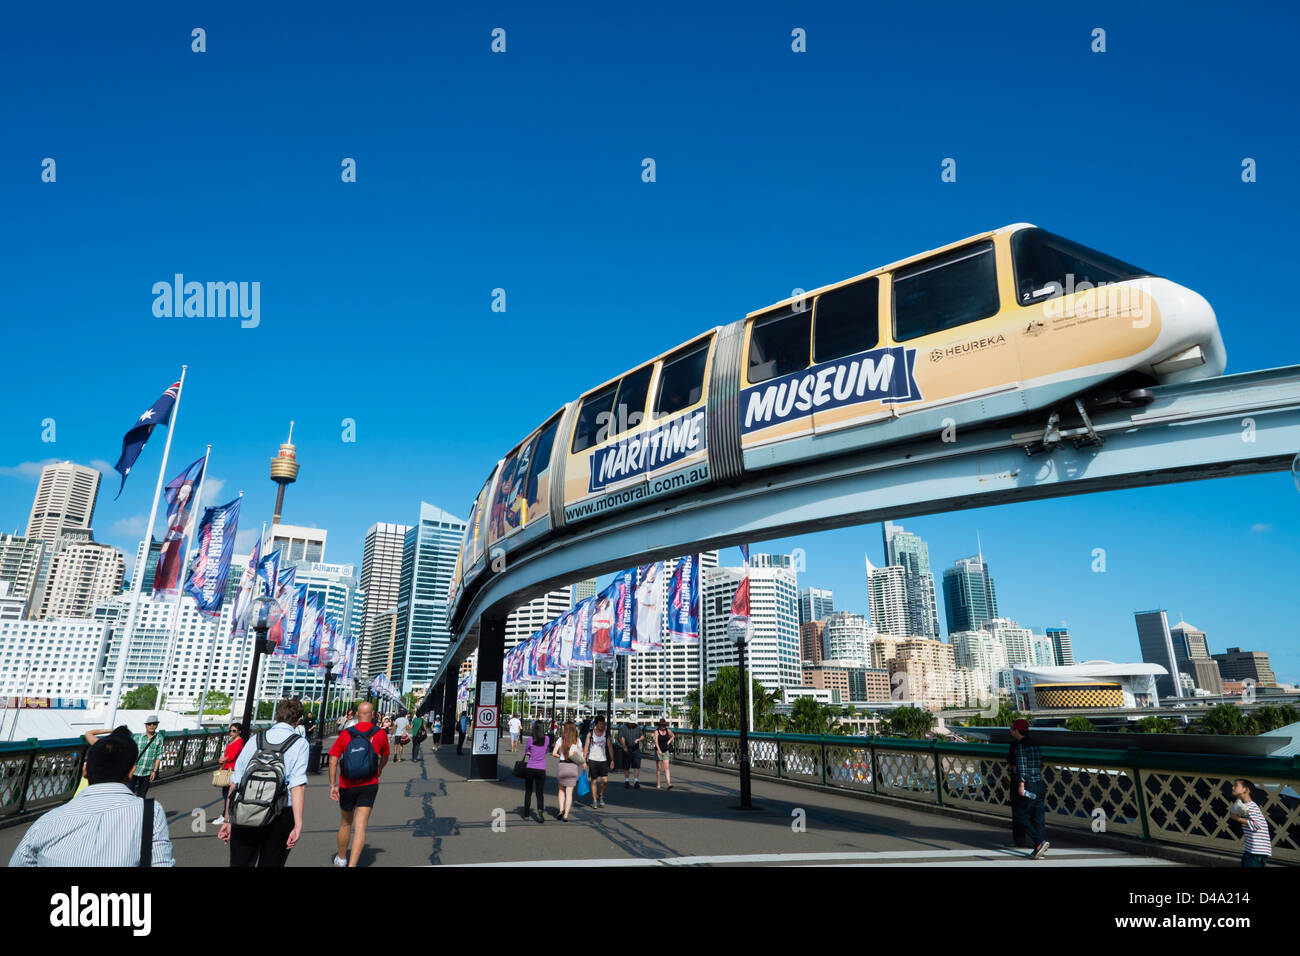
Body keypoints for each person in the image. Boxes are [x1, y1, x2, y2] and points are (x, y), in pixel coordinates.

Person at [10, 732, 174, 866]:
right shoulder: (150, 811)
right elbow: (161, 863)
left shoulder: (46, 821)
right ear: (132, 771)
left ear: (85, 770)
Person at [219, 699, 309, 867]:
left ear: (276, 716)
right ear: (298, 721)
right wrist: (298, 824)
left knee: (241, 862)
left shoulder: (255, 739)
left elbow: (235, 782)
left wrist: (227, 819)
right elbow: (297, 786)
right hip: (280, 812)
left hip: (245, 809)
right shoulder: (300, 743)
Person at [328, 701, 390, 867]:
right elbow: (385, 756)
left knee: (345, 823)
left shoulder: (346, 734)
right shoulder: (380, 733)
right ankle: (352, 865)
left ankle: (341, 858)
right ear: (373, 714)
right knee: (361, 826)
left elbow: (333, 759)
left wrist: (332, 784)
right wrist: (379, 769)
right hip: (369, 783)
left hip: (347, 784)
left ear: (357, 714)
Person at [1008, 718, 1049, 859]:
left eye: (1012, 728)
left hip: (1028, 785)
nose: (1011, 730)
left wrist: (1021, 785)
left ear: (1017, 731)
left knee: (1020, 815)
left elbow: (1022, 768)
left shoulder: (1020, 747)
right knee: (1038, 817)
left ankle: (1039, 842)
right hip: (1039, 784)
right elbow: (1040, 764)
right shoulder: (1035, 745)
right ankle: (1040, 849)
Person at [1228, 779, 1272, 866]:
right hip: (1253, 850)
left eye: (1236, 785)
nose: (1232, 787)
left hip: (1255, 852)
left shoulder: (1251, 807)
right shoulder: (1246, 806)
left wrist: (1237, 818)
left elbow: (1257, 825)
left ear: (1246, 790)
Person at [212, 722, 244, 825]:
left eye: (234, 731)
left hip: (231, 769)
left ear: (239, 732)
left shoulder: (239, 742)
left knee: (228, 794)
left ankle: (225, 815)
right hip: (227, 767)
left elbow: (233, 755)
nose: (231, 732)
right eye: (230, 730)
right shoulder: (232, 740)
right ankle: (227, 814)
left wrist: (224, 759)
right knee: (226, 793)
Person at [551, 720, 583, 822]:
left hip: (562, 766)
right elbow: (581, 754)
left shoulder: (561, 740)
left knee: (561, 791)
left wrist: (560, 756)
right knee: (569, 793)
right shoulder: (577, 741)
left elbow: (553, 753)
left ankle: (561, 810)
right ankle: (566, 815)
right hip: (573, 767)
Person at [520, 720, 550, 823]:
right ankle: (540, 813)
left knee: (528, 791)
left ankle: (526, 814)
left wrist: (530, 752)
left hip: (530, 767)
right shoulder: (547, 739)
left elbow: (526, 751)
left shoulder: (530, 739)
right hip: (541, 768)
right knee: (540, 793)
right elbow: (546, 750)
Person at [129, 715, 166, 798]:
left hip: (148, 771)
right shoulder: (137, 737)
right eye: (149, 724)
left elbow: (159, 755)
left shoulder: (159, 738)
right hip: (134, 770)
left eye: (154, 724)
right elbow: (131, 752)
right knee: (128, 793)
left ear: (157, 725)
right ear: (146, 725)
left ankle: (138, 810)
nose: (152, 726)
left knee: (142, 796)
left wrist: (154, 771)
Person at [583, 716, 612, 808]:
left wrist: (612, 760)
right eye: (600, 724)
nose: (602, 726)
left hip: (603, 759)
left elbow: (610, 747)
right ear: (596, 724)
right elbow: (586, 747)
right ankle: (594, 800)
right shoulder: (590, 734)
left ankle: (600, 795)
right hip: (592, 759)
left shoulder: (606, 734)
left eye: (603, 724)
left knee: (605, 780)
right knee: (594, 780)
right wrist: (584, 761)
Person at [621, 721, 644, 789]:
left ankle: (636, 781)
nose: (632, 724)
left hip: (636, 749)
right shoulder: (624, 727)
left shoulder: (638, 727)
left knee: (636, 765)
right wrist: (624, 746)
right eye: (631, 722)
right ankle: (627, 780)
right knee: (626, 765)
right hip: (627, 748)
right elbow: (622, 737)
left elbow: (642, 736)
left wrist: (639, 739)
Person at [654, 720, 675, 790]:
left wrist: (668, 742)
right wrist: (659, 750)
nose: (663, 727)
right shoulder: (656, 731)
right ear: (659, 725)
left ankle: (669, 783)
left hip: (666, 751)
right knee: (659, 768)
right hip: (659, 751)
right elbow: (656, 742)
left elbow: (673, 735)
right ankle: (658, 783)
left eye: (664, 725)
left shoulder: (667, 730)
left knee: (667, 768)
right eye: (662, 725)